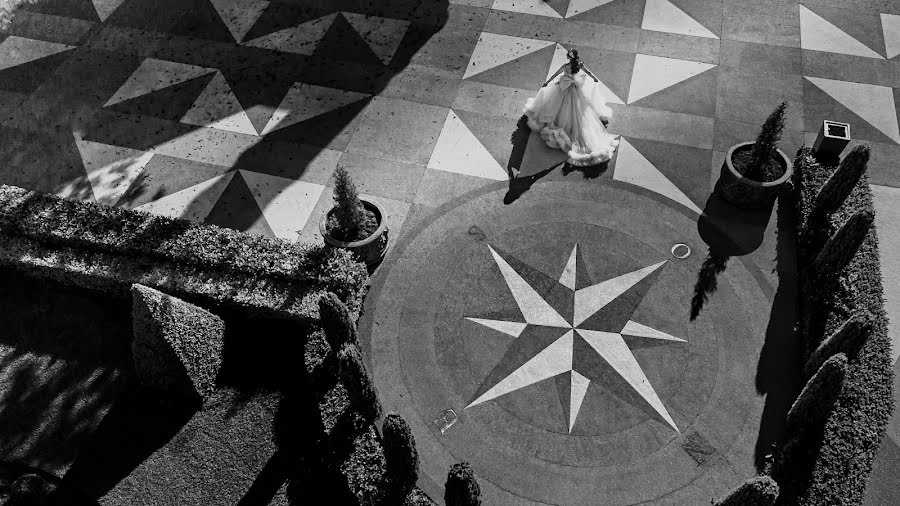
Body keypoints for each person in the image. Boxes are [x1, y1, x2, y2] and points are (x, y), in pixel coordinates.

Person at [523, 49, 620, 167]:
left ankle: (562, 124)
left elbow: (555, 75)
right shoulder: (580, 64)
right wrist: (594, 78)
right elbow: (588, 72)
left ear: (570, 57)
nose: (567, 55)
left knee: (559, 105)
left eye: (568, 54)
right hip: (577, 88)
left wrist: (547, 82)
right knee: (581, 109)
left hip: (566, 88)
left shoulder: (566, 66)